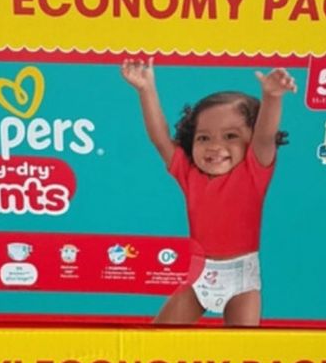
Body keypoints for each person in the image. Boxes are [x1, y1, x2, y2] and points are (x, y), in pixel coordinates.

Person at [121, 58, 296, 326]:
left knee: (241, 346)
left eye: (230, 136)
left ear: (250, 141)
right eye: (204, 137)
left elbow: (264, 136)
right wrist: (146, 89)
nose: (215, 146)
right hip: (198, 277)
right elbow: (160, 139)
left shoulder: (253, 172)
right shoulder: (188, 174)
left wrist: (271, 97)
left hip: (241, 281)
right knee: (155, 339)